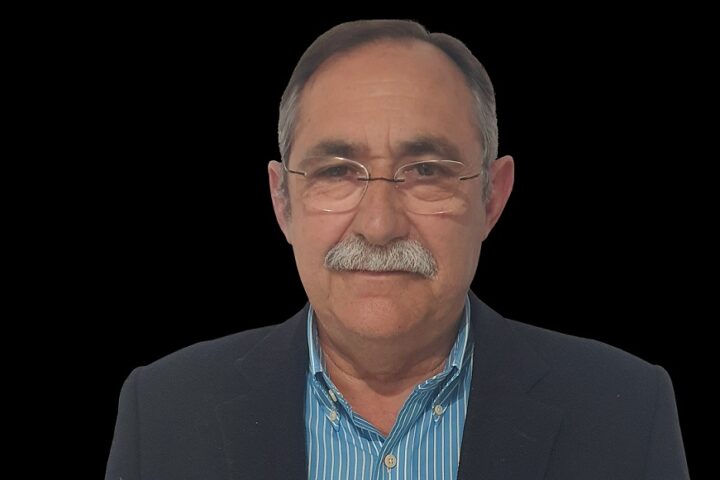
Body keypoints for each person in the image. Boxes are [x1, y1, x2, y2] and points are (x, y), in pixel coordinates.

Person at [105, 19, 689, 479]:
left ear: (492, 198)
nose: (379, 225)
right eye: (337, 171)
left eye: (426, 170)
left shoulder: (626, 412)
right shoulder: (162, 412)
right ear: (282, 201)